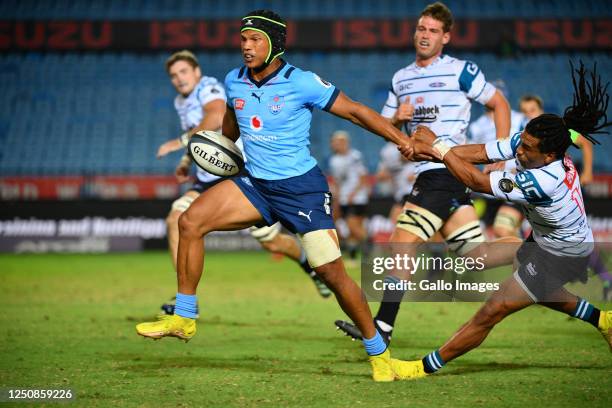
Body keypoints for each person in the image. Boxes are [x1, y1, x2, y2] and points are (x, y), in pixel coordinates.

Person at [136, 10, 435, 382]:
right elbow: (229, 127)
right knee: (190, 221)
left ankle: (380, 356)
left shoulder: (302, 82)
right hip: (256, 185)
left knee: (332, 274)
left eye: (255, 39)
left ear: (275, 44)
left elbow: (356, 112)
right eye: (243, 39)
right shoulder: (234, 81)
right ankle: (184, 316)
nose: (246, 46)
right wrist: (212, 152)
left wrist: (403, 140)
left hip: (302, 191)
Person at [390, 61, 612, 379]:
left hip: (563, 254)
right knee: (527, 281)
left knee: (492, 310)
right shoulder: (533, 144)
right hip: (546, 241)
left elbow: (479, 182)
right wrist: (427, 150)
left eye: (526, 149)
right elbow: (481, 152)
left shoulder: (545, 179)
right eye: (520, 144)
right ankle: (604, 321)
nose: (518, 151)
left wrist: (438, 147)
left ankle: (420, 368)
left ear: (548, 156)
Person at [335, 1, 513, 344]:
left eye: (432, 31)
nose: (424, 35)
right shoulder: (401, 78)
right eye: (420, 28)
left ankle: (382, 329)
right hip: (434, 174)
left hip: (443, 169)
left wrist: (500, 154)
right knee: (477, 256)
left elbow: (499, 103)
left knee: (401, 244)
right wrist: (397, 119)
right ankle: (539, 249)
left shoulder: (461, 70)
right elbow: (383, 124)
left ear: (445, 37)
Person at [156, 50, 331, 313]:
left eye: (183, 72)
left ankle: (310, 266)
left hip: (239, 174)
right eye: (173, 75)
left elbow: (215, 117)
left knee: (272, 242)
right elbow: (202, 140)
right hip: (207, 179)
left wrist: (179, 141)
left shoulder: (209, 87)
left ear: (196, 72)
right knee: (177, 218)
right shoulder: (181, 102)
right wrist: (185, 161)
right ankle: (184, 297)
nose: (178, 79)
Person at [328, 130, 370, 265]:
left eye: (339, 142)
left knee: (353, 227)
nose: (336, 144)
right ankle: (353, 257)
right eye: (335, 142)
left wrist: (354, 193)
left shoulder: (355, 156)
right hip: (344, 198)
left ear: (345, 142)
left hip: (357, 198)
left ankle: (375, 249)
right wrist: (337, 196)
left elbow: (363, 177)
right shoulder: (333, 160)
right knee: (350, 228)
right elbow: (337, 181)